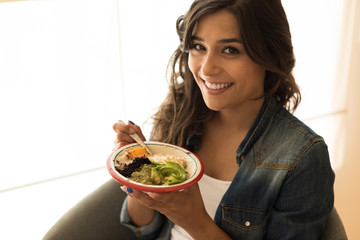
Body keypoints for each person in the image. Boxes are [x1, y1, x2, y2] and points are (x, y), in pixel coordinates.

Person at [43, 0, 335, 239]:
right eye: (198, 46)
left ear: (268, 54)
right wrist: (140, 170)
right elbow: (141, 227)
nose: (207, 69)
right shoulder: (184, 110)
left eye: (230, 50)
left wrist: (193, 219)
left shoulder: (302, 157)